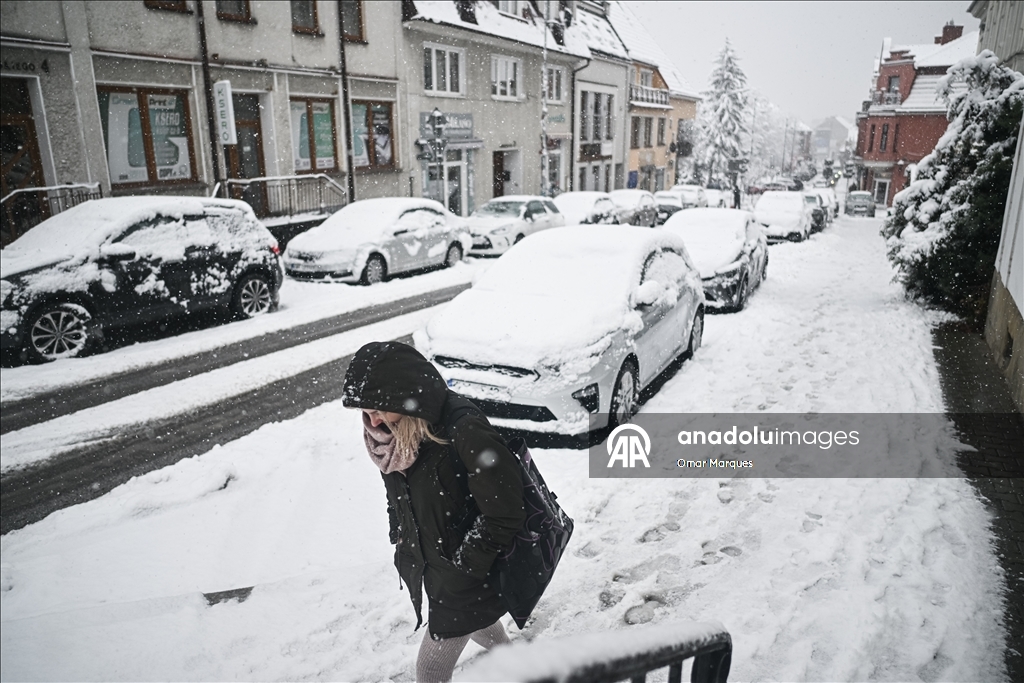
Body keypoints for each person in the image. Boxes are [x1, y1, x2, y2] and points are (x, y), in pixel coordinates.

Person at [342, 341, 526, 682]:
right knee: (479, 621)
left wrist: (466, 566)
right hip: (437, 564)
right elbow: (395, 489)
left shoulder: (462, 429)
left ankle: (516, 662)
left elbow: (506, 509)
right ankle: (518, 663)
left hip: (465, 569)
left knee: (430, 670)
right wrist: (398, 529)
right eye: (364, 412)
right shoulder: (392, 436)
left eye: (377, 409)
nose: (372, 420)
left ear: (404, 396)